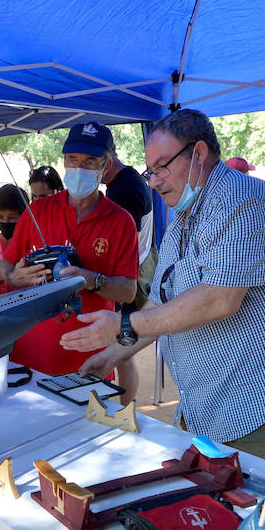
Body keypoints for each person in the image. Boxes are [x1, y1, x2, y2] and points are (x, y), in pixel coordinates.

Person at [60, 109, 265, 482]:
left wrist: (122, 324)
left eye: (162, 167)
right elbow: (162, 305)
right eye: (150, 171)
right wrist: (110, 356)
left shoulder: (245, 201)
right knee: (217, 498)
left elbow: (220, 298)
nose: (154, 182)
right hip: (219, 396)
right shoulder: (183, 218)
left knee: (260, 504)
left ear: (199, 154)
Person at [0, 122, 138, 374]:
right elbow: (6, 266)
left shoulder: (121, 221)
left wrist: (91, 280)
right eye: (73, 159)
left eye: (89, 161)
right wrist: (15, 277)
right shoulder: (37, 210)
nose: (79, 168)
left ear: (105, 165)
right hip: (31, 351)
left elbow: (128, 291)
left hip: (90, 353)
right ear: (64, 161)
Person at [102, 132, 155, 400]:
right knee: (121, 349)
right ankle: (125, 408)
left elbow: (125, 243)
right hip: (136, 271)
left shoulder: (124, 190)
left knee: (121, 350)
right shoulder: (125, 181)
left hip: (129, 278)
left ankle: (125, 410)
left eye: (91, 162)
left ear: (108, 160)